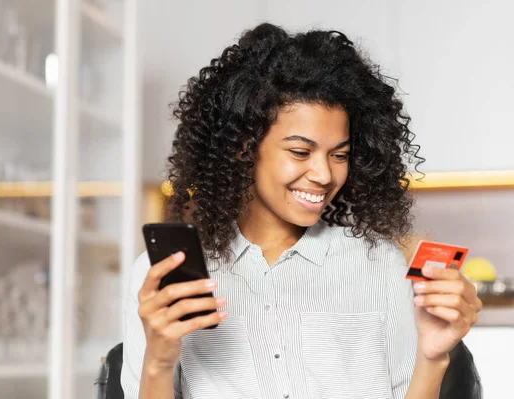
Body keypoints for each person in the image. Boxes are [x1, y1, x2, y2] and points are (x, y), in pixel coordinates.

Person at [121, 23, 483, 399]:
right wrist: (158, 362)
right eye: (300, 152)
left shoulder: (381, 265)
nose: (325, 174)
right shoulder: (163, 276)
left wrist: (433, 357)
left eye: (339, 155)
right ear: (243, 147)